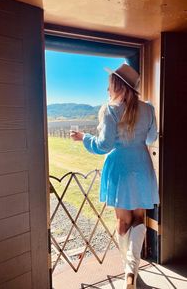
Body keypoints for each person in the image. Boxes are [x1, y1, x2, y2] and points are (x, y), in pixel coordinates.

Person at [70, 63, 159, 289]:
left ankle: (127, 273)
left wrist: (84, 138)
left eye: (109, 85)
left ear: (117, 85)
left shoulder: (109, 110)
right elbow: (150, 140)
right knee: (139, 218)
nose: (107, 90)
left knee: (123, 221)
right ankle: (132, 272)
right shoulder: (148, 109)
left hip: (120, 168)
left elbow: (103, 145)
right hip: (141, 165)